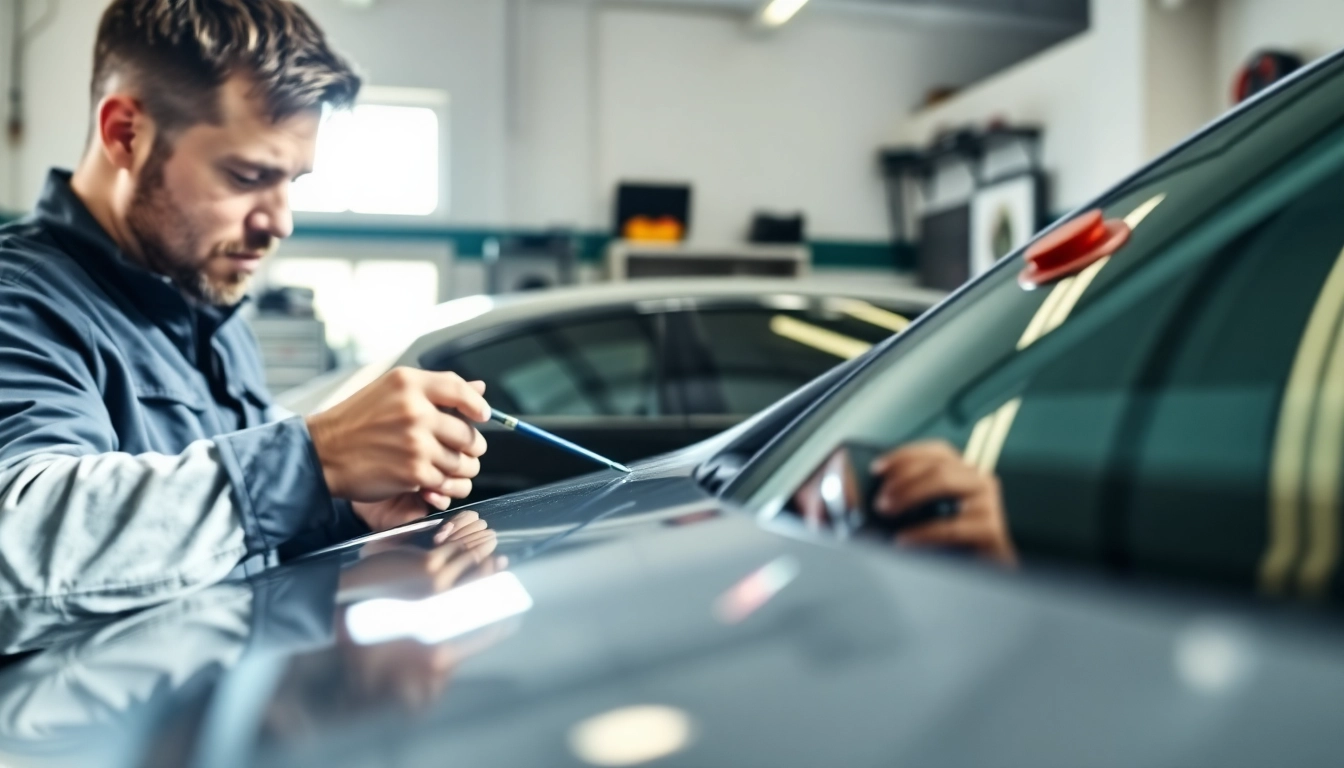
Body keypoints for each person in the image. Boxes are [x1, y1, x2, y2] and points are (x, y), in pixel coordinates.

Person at [0, 0, 490, 648]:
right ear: (126, 134)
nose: (279, 220)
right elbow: (19, 551)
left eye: (292, 180)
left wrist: (343, 510)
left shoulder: (207, 297)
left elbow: (227, 543)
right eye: (247, 175)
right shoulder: (22, 301)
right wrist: (313, 461)